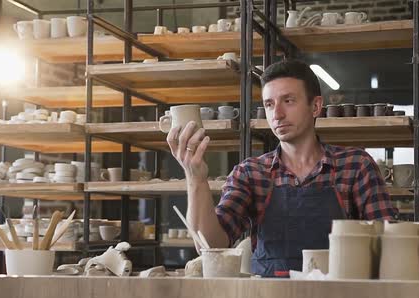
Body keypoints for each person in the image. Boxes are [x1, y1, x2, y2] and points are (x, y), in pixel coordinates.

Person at [167, 59, 396, 277]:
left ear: (315, 106)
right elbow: (211, 244)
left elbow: (389, 244)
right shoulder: (250, 173)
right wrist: (195, 178)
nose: (276, 114)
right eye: (269, 104)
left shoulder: (356, 166)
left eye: (288, 101)